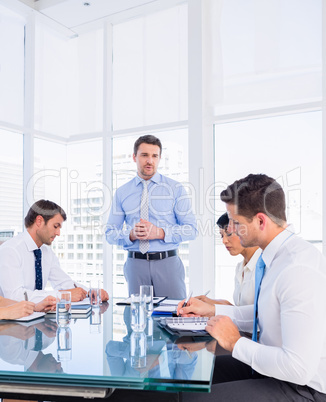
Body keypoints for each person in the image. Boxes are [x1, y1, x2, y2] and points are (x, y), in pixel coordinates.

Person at [177, 174, 326, 401]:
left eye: (236, 222)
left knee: (196, 399)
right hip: (271, 368)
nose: (231, 230)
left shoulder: (297, 267)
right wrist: (214, 311)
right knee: (192, 379)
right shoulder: (274, 256)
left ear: (260, 221)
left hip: (301, 386)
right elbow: (265, 312)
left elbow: (298, 367)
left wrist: (235, 342)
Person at [106, 135, 197, 299]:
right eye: (144, 155)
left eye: (155, 156)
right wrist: (130, 235)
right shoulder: (122, 192)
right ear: (134, 157)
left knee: (173, 318)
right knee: (137, 319)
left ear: (160, 158)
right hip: (135, 265)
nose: (150, 161)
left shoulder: (176, 189)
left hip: (168, 263)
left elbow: (192, 229)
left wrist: (161, 233)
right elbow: (110, 233)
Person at [0, 200, 109, 303]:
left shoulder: (46, 252)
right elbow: (15, 296)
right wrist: (62, 295)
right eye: (55, 226)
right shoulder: (11, 250)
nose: (58, 233)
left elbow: (64, 283)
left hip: (36, 316)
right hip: (11, 320)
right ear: (39, 221)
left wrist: (92, 292)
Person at [197, 212, 261, 307]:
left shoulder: (264, 266)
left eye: (229, 234)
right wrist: (207, 301)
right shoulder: (240, 267)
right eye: (222, 235)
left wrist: (212, 309)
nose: (224, 241)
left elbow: (257, 314)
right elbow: (239, 310)